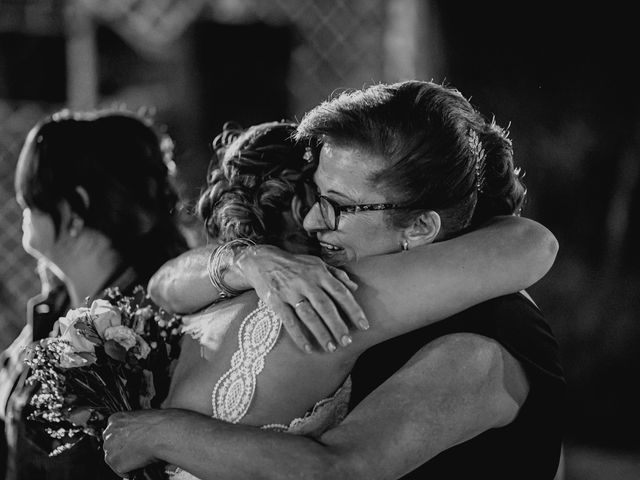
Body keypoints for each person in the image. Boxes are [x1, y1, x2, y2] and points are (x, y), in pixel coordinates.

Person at [104, 80, 563, 480]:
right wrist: (249, 260)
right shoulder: (349, 279)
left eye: (339, 205)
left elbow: (341, 470)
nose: (311, 219)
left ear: (420, 228)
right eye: (316, 195)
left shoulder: (483, 338)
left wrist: (160, 432)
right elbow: (166, 286)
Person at [0, 109, 189, 480]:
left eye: (32, 197)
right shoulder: (54, 305)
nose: (21, 206)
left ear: (75, 209)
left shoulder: (138, 337)